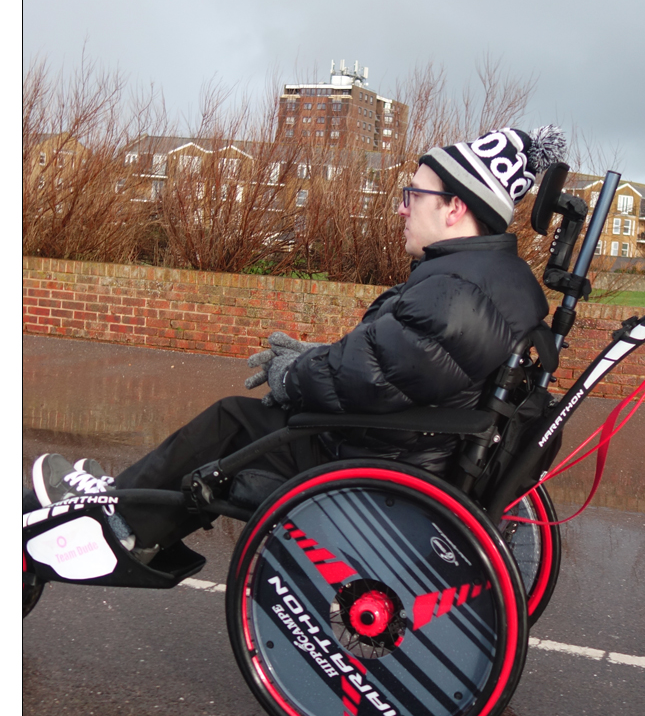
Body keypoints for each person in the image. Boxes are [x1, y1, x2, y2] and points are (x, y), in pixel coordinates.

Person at [32, 125, 562, 559]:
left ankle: (111, 521)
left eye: (413, 195)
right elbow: (392, 362)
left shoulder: (457, 292)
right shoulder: (494, 279)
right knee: (248, 421)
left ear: (454, 208)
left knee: (233, 422)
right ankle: (134, 518)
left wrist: (294, 373)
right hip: (411, 444)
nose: (402, 208)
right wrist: (313, 358)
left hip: (378, 458)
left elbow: (370, 378)